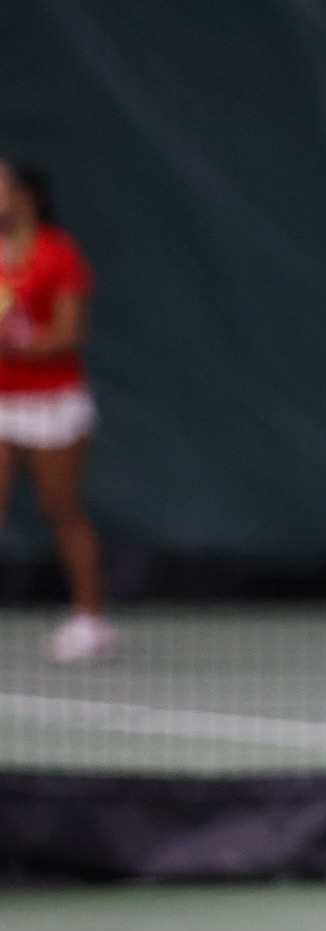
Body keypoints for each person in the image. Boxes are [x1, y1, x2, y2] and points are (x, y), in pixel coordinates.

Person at [0, 160, 114, 664]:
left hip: (54, 405)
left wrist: (18, 342)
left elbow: (70, 334)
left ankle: (90, 619)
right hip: (3, 401)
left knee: (62, 512)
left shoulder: (57, 253)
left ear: (27, 196)